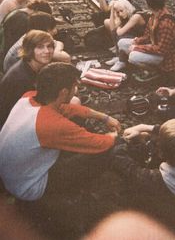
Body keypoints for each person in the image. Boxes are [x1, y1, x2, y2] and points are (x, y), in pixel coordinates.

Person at [0, 62, 120, 202]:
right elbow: (99, 143)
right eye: (74, 86)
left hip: (13, 176)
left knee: (76, 122)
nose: (76, 90)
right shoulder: (50, 123)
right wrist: (114, 137)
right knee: (105, 151)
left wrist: (104, 117)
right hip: (28, 188)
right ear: (63, 92)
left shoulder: (28, 97)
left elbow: (68, 109)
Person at [111, 119, 175, 239]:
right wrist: (145, 127)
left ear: (160, 153)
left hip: (167, 228)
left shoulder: (152, 180)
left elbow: (120, 159)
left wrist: (120, 140)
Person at [116, 0, 175, 74]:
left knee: (133, 56)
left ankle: (155, 71)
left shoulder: (165, 24)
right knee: (122, 43)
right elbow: (147, 36)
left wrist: (137, 48)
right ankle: (137, 65)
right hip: (154, 47)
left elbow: (161, 50)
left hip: (166, 57)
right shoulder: (153, 16)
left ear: (148, 4)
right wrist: (136, 41)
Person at [0, 30, 54, 128]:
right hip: (13, 127)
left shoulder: (30, 65)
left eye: (49, 46)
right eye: (40, 47)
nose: (47, 51)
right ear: (29, 49)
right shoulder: (21, 79)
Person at [3, 12, 71, 72]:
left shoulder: (31, 36)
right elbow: (66, 58)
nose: (55, 31)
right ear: (44, 29)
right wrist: (56, 52)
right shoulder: (33, 43)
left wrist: (56, 51)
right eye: (52, 28)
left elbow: (59, 43)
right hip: (20, 81)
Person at [104, 0, 149, 71]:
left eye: (121, 11)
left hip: (144, 41)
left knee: (121, 35)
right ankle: (119, 57)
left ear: (127, 7)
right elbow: (112, 29)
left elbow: (120, 32)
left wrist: (118, 25)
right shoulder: (126, 15)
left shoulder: (136, 16)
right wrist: (112, 11)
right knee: (116, 32)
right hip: (137, 39)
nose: (120, 14)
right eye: (118, 12)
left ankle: (122, 61)